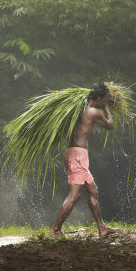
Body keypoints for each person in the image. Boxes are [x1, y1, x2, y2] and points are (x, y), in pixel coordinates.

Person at [51, 82, 118, 238]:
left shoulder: (75, 108)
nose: (105, 103)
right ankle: (55, 230)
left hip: (72, 153)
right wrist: (107, 109)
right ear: (100, 98)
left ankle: (102, 228)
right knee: (74, 195)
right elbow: (110, 126)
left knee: (93, 190)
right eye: (105, 100)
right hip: (78, 156)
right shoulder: (93, 112)